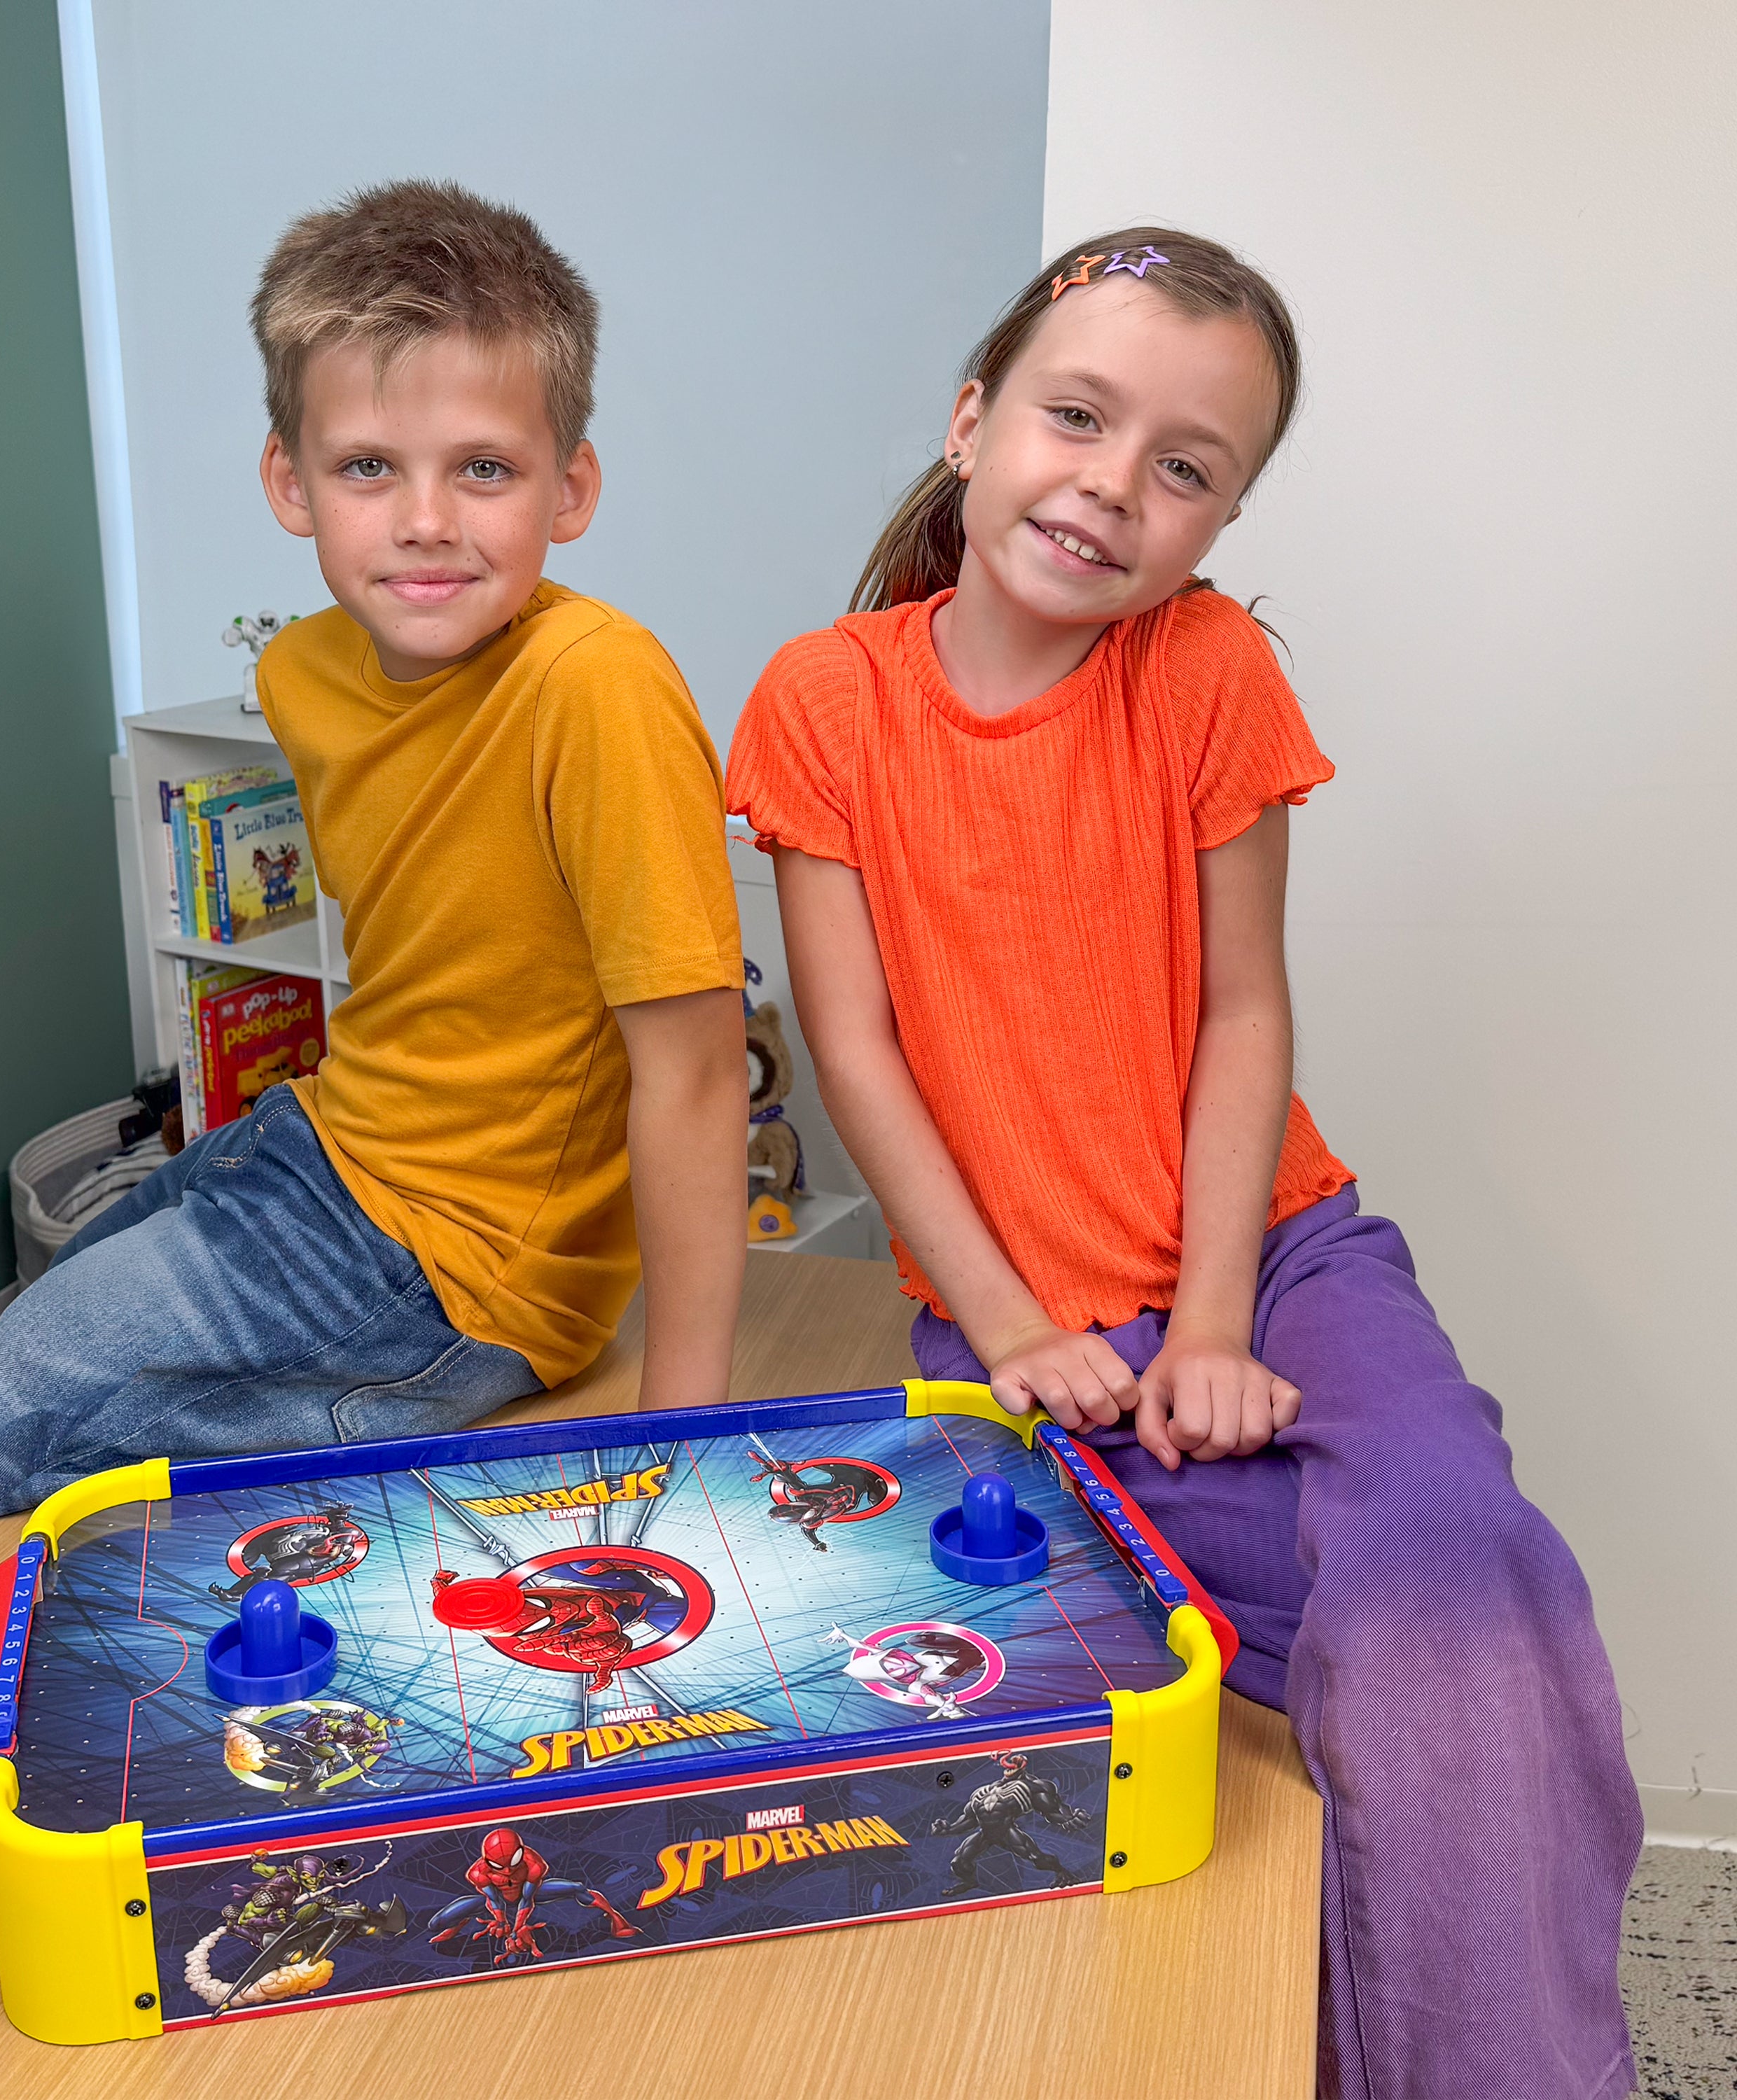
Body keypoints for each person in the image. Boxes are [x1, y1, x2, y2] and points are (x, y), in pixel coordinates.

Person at [727, 229, 1639, 2100]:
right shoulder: (824, 701)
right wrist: (1007, 1326)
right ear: (973, 423)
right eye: (1077, 417)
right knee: (1237, 1650)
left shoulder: (1208, 668)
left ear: (1220, 522)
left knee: (1471, 1568)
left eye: (1185, 465)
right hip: (1015, 1319)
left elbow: (1243, 1010)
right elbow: (855, 1048)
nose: (1112, 485)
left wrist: (1217, 1321)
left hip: (1281, 1255)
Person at [0, 181, 745, 1530]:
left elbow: (699, 1070)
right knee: (50, 1299)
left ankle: (35, 1670)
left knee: (19, 1408)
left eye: (484, 468)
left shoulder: (594, 687)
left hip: (460, 1257)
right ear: (291, 482)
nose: (426, 519)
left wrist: (684, 1427)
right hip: (326, 1140)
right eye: (369, 467)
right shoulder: (301, 672)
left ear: (570, 488)